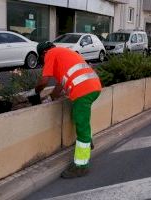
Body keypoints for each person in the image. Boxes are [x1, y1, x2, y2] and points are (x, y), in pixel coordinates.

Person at [31, 41, 102, 178]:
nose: (43, 61)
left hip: (83, 91)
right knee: (79, 117)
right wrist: (52, 97)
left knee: (82, 127)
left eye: (41, 58)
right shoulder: (64, 53)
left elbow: (43, 81)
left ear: (43, 53)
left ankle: (81, 166)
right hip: (93, 87)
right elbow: (60, 84)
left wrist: (35, 92)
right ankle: (88, 141)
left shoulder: (50, 54)